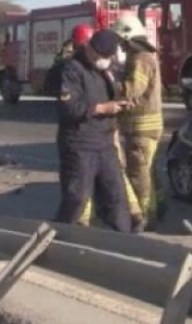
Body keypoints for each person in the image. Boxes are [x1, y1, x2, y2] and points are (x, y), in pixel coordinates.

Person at [53, 29, 132, 233]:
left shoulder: (106, 71)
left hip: (105, 142)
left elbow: (112, 98)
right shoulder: (71, 69)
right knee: (77, 198)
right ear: (89, 47)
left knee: (116, 198)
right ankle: (59, 236)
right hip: (80, 143)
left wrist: (120, 105)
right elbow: (69, 108)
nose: (103, 60)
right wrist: (101, 108)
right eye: (100, 56)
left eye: (108, 57)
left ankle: (125, 243)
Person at [112, 16, 166, 230]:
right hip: (145, 127)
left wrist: (109, 84)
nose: (120, 45)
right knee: (148, 171)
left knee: (138, 174)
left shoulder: (140, 59)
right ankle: (153, 212)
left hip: (141, 128)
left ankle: (141, 217)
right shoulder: (145, 56)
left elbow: (132, 89)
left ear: (128, 36)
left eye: (121, 40)